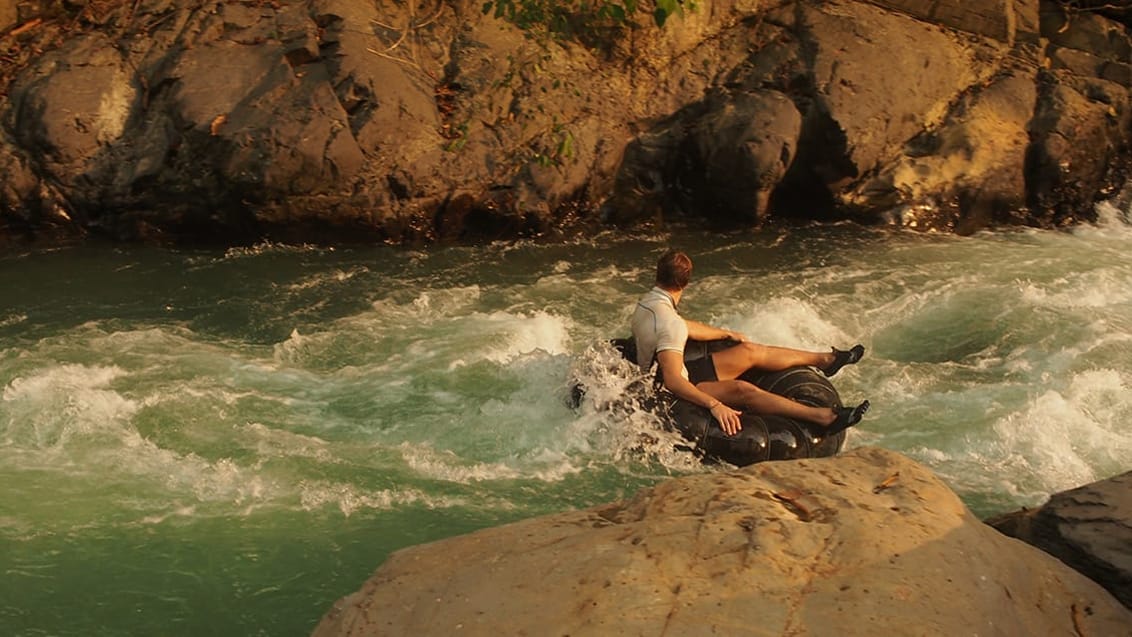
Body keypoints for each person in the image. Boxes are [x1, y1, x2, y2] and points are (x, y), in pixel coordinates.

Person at [630, 250, 870, 437]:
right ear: (686, 283)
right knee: (744, 391)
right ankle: (825, 418)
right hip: (670, 389)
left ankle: (826, 360)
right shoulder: (670, 324)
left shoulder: (649, 302)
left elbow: (683, 326)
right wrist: (715, 405)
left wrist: (726, 333)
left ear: (658, 275)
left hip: (671, 370)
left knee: (749, 351)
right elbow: (673, 381)